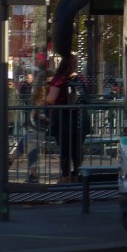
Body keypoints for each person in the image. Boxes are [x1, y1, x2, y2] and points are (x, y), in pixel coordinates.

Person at [45, 54, 86, 184]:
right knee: (77, 148)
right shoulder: (81, 78)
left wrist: (44, 99)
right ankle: (77, 175)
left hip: (62, 118)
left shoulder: (59, 79)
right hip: (79, 118)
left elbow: (51, 98)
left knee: (64, 150)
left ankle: (65, 177)